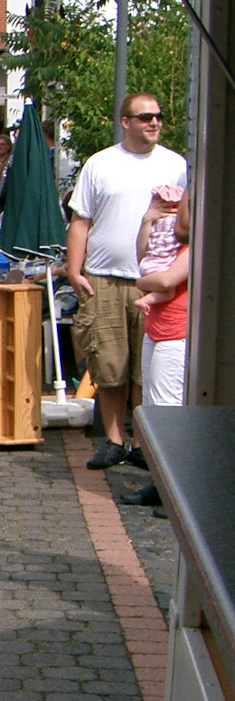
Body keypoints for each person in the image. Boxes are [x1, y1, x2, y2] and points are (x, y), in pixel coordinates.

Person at [65, 93, 189, 468]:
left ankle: (141, 444)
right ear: (125, 122)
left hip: (156, 282)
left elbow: (187, 224)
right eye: (145, 117)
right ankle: (114, 440)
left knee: (145, 370)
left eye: (158, 116)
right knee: (109, 364)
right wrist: (74, 270)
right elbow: (81, 220)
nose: (154, 122)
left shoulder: (176, 165)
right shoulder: (100, 164)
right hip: (104, 277)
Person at [125, 190, 191, 508]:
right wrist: (147, 221)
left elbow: (165, 282)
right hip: (157, 329)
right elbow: (142, 259)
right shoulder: (169, 241)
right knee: (153, 407)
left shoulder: (195, 245)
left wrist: (140, 283)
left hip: (177, 333)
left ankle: (176, 492)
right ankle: (160, 483)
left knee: (168, 410)